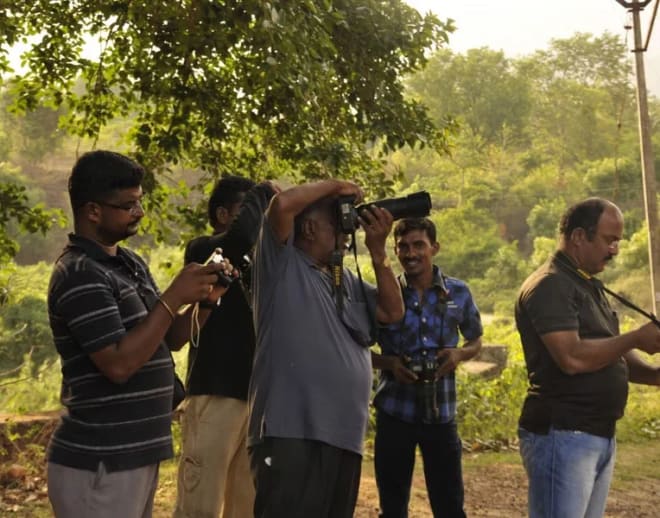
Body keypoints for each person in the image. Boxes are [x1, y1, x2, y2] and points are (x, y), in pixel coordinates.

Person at [46, 150, 233, 518]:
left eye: (139, 202)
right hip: (100, 459)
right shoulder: (79, 273)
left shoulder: (129, 263)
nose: (139, 213)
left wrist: (207, 302)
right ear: (93, 211)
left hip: (138, 451)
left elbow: (167, 339)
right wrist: (174, 295)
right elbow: (118, 364)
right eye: (128, 205)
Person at [247, 179, 405, 518]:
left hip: (344, 436)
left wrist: (379, 252)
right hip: (290, 433)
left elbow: (393, 312)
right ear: (308, 228)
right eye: (337, 225)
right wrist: (337, 186)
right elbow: (281, 206)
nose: (345, 235)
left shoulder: (344, 279)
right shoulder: (280, 264)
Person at [515, 197, 660, 518]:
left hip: (596, 433)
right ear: (580, 236)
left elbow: (611, 351)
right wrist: (637, 337)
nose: (615, 250)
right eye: (610, 240)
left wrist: (654, 374)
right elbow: (573, 357)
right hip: (563, 433)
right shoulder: (551, 284)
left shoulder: (587, 284)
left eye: (618, 242)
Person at [174, 176, 277, 518]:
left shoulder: (262, 261)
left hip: (255, 399)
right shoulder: (204, 251)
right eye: (247, 210)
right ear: (222, 214)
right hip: (214, 395)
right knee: (200, 506)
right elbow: (239, 239)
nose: (258, 220)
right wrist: (263, 193)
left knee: (245, 507)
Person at [371, 217, 483, 518]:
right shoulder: (384, 294)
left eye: (418, 245)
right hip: (394, 412)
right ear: (395, 251)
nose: (411, 254)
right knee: (392, 509)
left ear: (434, 247)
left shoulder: (458, 293)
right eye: (403, 247)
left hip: (441, 413)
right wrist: (390, 363)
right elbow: (358, 351)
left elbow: (476, 341)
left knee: (449, 507)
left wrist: (459, 355)